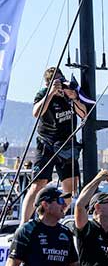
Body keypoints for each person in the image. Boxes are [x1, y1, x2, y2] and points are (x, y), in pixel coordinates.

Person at [22, 67, 88, 223]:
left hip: (67, 144)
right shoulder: (43, 94)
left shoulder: (69, 94)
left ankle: (54, 219)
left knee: (70, 188)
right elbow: (36, 113)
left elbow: (84, 114)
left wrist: (74, 98)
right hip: (47, 143)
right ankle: (24, 224)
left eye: (61, 80)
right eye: (56, 82)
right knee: (38, 184)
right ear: (48, 83)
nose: (60, 85)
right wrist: (51, 93)